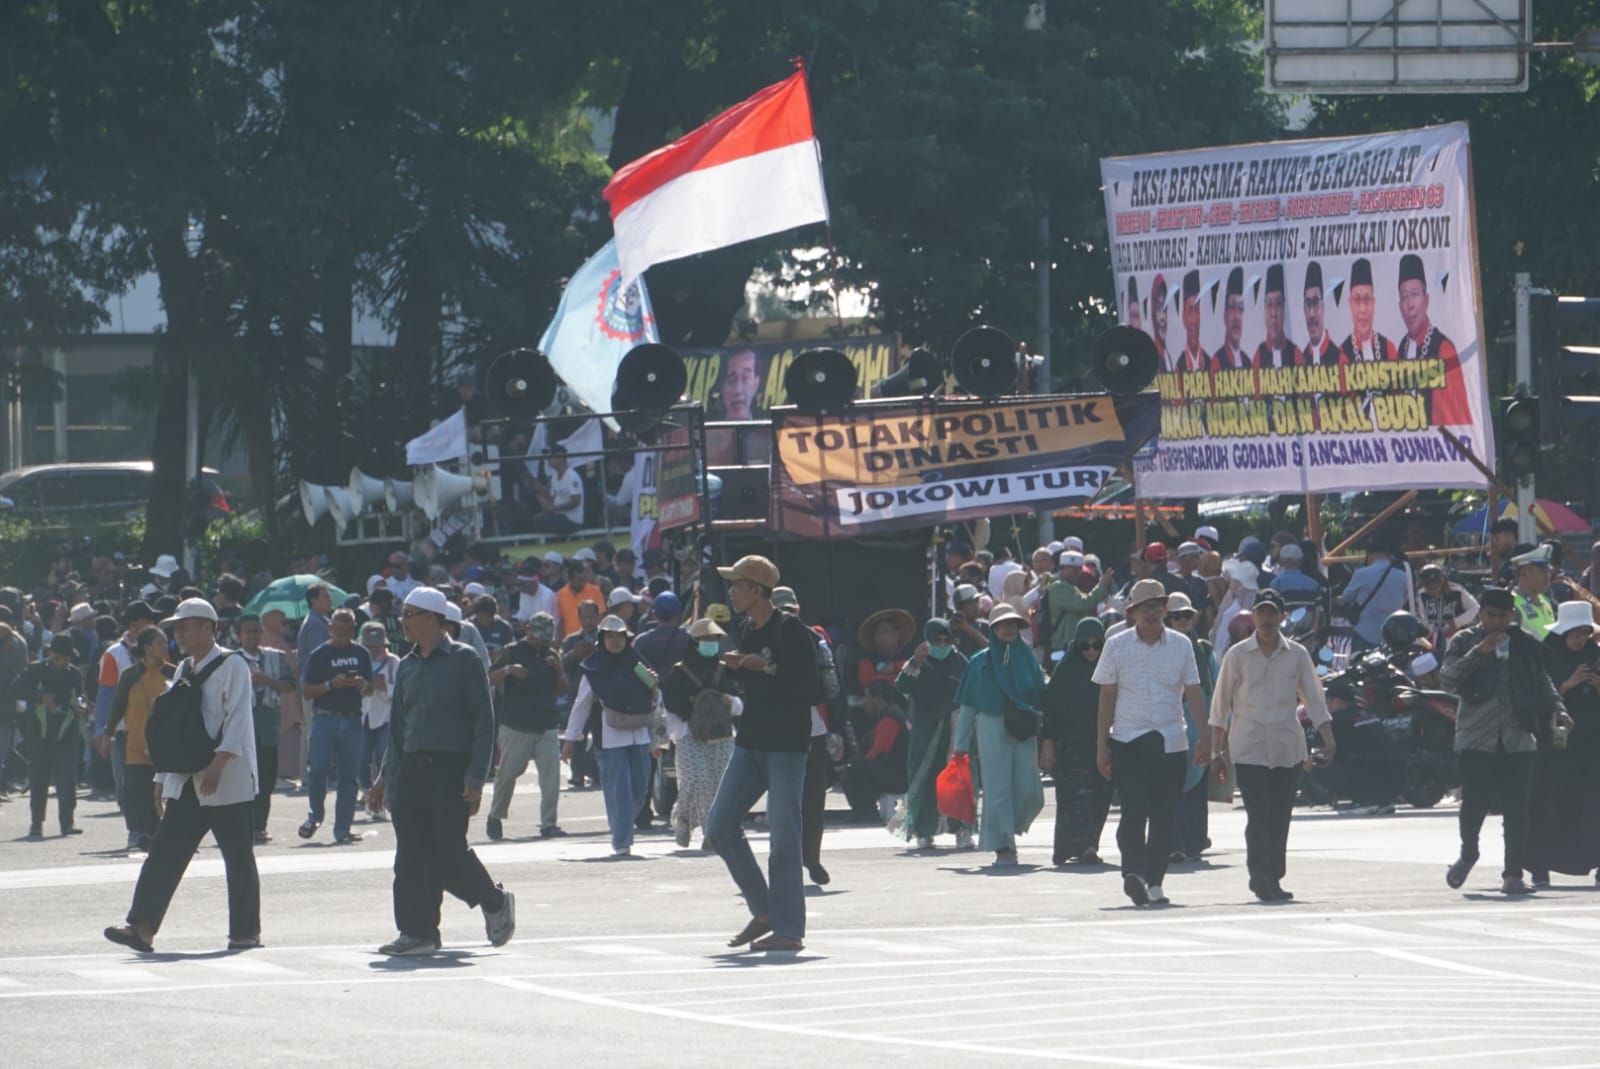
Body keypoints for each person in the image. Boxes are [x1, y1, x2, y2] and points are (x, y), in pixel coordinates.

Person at [103, 599, 260, 954]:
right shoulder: (184, 669)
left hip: (226, 779)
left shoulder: (233, 664)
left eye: (185, 626)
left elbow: (237, 720)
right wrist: (162, 775)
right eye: (176, 627)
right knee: (164, 852)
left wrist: (219, 764)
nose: (179, 634)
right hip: (188, 779)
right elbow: (174, 728)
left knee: (238, 857)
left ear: (207, 627)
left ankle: (246, 931)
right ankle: (141, 927)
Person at [367, 587, 514, 956]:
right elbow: (399, 730)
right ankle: (418, 933)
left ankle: (493, 902)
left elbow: (484, 720)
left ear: (431, 618)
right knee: (411, 856)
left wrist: (476, 777)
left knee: (448, 851)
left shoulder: (464, 660)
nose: (403, 622)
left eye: (409, 614)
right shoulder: (409, 665)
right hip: (411, 771)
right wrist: (384, 778)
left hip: (452, 770)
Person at [706, 555, 817, 953]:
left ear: (756, 590)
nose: (731, 592)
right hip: (751, 740)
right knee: (718, 826)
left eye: (737, 585)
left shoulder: (792, 632)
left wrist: (763, 667)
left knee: (784, 838)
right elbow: (754, 685)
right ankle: (764, 910)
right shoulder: (746, 628)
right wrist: (740, 668)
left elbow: (811, 689)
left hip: (786, 744)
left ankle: (789, 930)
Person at [1439, 587, 1570, 895]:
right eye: (1490, 616)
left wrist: (1558, 709)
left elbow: (1541, 679)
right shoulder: (1464, 641)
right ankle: (1469, 854)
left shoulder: (1523, 643)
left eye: (1502, 616)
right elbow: (1447, 678)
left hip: (1518, 736)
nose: (1497, 622)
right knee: (1473, 806)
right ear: (1481, 614)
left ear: (1512, 615)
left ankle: (1513, 874)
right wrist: (1480, 651)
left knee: (1517, 809)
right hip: (1475, 737)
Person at [1209, 590, 1334, 901]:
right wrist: (1216, 753)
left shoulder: (1297, 655)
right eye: (1261, 613)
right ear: (1253, 617)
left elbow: (1315, 701)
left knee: (1280, 815)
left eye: (1272, 613)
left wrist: (1329, 740)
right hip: (1249, 746)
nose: (1266, 619)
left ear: (1282, 617)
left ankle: (1274, 876)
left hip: (1286, 747)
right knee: (1258, 813)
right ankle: (1260, 875)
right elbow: (1220, 705)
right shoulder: (1237, 655)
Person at [1093, 579, 1210, 906]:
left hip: (1171, 739)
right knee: (1133, 812)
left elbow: (1193, 692)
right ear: (1131, 612)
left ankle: (1155, 882)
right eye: (1144, 606)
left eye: (1157, 605)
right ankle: (1134, 873)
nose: (1151, 611)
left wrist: (1205, 736)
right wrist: (1101, 745)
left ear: (1165, 608)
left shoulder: (1181, 645)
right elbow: (1106, 695)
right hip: (1128, 739)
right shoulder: (1116, 646)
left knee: (1164, 816)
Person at [953, 604, 1046, 867]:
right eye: (1003, 625)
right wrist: (960, 746)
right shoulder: (979, 662)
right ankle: (1003, 844)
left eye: (1013, 625)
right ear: (993, 629)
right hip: (991, 726)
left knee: (1030, 790)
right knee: (997, 788)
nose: (1008, 629)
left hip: (1024, 727)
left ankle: (1009, 828)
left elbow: (1041, 695)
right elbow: (968, 705)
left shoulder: (1027, 658)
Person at [562, 615, 657, 857]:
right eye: (609, 636)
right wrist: (571, 741)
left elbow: (656, 699)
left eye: (619, 636)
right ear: (601, 639)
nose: (615, 641)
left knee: (639, 788)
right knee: (620, 790)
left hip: (640, 736)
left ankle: (621, 824)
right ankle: (622, 840)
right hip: (610, 740)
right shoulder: (593, 669)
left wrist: (655, 686)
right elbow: (581, 706)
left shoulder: (638, 665)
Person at [772, 585, 843, 885]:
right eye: (782, 610)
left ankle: (811, 859)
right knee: (784, 803)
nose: (788, 616)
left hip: (813, 729)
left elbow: (834, 685)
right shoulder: (760, 639)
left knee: (814, 799)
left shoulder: (815, 638)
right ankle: (786, 862)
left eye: (792, 610)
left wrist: (837, 729)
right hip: (774, 733)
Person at [1527, 602, 1600, 886]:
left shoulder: (1595, 655)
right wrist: (1567, 685)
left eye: (1584, 632)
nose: (1579, 638)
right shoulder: (1546, 655)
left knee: (1592, 806)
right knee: (1548, 803)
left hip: (1591, 745)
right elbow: (1535, 697)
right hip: (1554, 748)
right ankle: (1539, 866)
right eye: (1573, 632)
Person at [661, 617, 743, 849]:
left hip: (722, 735)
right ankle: (702, 829)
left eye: (714, 639)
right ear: (694, 642)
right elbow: (670, 704)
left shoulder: (724, 669)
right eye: (706, 639)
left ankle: (694, 824)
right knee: (696, 780)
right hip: (689, 734)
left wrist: (732, 703)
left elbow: (741, 701)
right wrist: (677, 734)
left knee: (719, 783)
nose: (711, 643)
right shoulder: (679, 672)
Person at [486, 612, 568, 841]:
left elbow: (561, 690)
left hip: (546, 723)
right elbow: (489, 678)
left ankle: (549, 823)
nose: (543, 641)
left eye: (547, 637)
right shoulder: (511, 650)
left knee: (551, 778)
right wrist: (509, 670)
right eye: (539, 635)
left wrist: (559, 670)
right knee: (508, 774)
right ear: (528, 630)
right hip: (516, 724)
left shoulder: (552, 654)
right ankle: (495, 815)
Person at [299, 608, 374, 844]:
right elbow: (307, 691)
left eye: (347, 634)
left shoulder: (361, 653)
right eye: (338, 633)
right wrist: (331, 685)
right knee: (319, 769)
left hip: (352, 719)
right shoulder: (320, 654)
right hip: (325, 717)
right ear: (330, 629)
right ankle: (315, 815)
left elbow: (370, 688)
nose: (342, 639)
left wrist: (361, 683)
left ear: (353, 631)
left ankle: (343, 828)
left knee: (349, 776)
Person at [895, 618, 971, 850]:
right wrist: (916, 663)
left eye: (946, 639)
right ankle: (922, 831)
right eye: (936, 640)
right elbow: (902, 687)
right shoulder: (919, 661)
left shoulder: (959, 661)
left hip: (955, 729)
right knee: (923, 781)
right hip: (925, 732)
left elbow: (970, 689)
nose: (941, 644)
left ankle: (962, 830)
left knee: (959, 781)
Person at [1040, 617, 1110, 865]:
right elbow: (1049, 707)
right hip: (1069, 745)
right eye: (1086, 646)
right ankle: (1075, 847)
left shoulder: (1110, 668)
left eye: (1096, 646)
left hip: (1102, 741)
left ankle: (1090, 844)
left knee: (1101, 794)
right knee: (1073, 797)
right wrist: (1047, 743)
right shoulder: (1066, 669)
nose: (1091, 651)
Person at [92, 600, 158, 850]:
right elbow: (106, 693)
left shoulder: (158, 647)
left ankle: (155, 829)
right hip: (124, 730)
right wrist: (102, 730)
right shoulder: (113, 654)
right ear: (134, 624)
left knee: (156, 779)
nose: (153, 625)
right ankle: (136, 830)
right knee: (129, 783)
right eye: (148, 620)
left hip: (155, 727)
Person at [102, 627, 175, 851]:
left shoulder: (174, 673)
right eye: (160, 643)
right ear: (146, 648)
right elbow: (117, 706)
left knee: (164, 791)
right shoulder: (131, 675)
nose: (165, 647)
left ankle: (159, 834)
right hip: (136, 745)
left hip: (165, 747)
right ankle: (138, 833)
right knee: (136, 791)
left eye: (165, 642)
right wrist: (107, 734)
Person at [18, 634, 86, 839]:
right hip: (39, 734)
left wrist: (81, 705)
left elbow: (79, 695)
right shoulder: (35, 670)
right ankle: (36, 823)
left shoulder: (74, 674)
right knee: (39, 779)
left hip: (66, 732)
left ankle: (67, 822)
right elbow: (15, 691)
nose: (61, 662)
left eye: (65, 659)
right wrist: (40, 697)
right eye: (57, 658)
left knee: (67, 780)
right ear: (49, 654)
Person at [1165, 592, 1217, 862]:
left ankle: (1194, 839)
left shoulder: (1205, 650)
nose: (1183, 620)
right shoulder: (1162, 647)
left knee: (1196, 786)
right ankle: (1174, 841)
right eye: (1177, 616)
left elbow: (1217, 689)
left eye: (1187, 615)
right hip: (1171, 723)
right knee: (1172, 785)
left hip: (1200, 725)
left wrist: (1220, 726)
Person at [238, 614, 294, 844]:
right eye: (247, 632)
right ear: (239, 635)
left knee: (266, 779)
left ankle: (260, 826)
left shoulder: (274, 658)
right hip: (242, 728)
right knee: (243, 780)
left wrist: (266, 680)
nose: (252, 636)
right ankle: (243, 826)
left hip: (268, 727)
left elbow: (290, 685)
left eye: (255, 631)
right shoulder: (231, 660)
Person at [1395, 253, 1470, 425]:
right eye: (1404, 297)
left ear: (1426, 300)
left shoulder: (1443, 350)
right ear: (1400, 307)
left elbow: (1455, 418)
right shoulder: (1401, 350)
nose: (1410, 305)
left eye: (1415, 294)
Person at [845, 679, 911, 824]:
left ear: (878, 698)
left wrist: (856, 765)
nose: (865, 702)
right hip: (899, 771)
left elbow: (878, 751)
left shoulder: (890, 718)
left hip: (899, 777)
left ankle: (866, 813)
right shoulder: (891, 713)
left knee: (853, 768)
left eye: (867, 697)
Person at [1339, 538, 1412, 650]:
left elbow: (1346, 597)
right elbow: (1405, 599)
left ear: (1370, 556)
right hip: (1393, 635)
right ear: (1389, 556)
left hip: (1364, 633)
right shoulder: (1402, 576)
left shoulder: (1361, 574)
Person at [359, 621, 399, 822]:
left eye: (376, 646)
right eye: (368, 646)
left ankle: (383, 799)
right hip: (363, 716)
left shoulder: (393, 663)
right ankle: (368, 793)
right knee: (361, 759)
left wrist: (384, 686)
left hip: (385, 716)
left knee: (384, 759)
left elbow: (400, 690)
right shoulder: (358, 661)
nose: (372, 650)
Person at [1047, 550, 1115, 655]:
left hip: (1069, 646)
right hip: (1062, 646)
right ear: (1063, 568)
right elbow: (1084, 603)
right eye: (1073, 569)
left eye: (1079, 569)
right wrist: (1102, 586)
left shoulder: (1068, 586)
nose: (1078, 573)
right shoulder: (1059, 586)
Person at [1340, 257, 1397, 363]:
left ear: (1373, 303)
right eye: (1357, 300)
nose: (1362, 309)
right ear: (1350, 304)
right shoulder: (1341, 354)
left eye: (1366, 299)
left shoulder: (1389, 349)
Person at [1415, 564, 1479, 651]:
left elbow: (1475, 607)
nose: (1431, 591)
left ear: (1442, 582)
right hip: (1433, 638)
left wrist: (1457, 622)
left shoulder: (1457, 591)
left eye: (1434, 588)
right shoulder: (1421, 595)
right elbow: (1422, 616)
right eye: (1427, 587)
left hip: (1457, 637)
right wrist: (1428, 629)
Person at [529, 443, 584, 535]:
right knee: (536, 518)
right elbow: (553, 498)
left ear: (561, 458)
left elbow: (576, 501)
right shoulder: (554, 476)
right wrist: (539, 490)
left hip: (571, 519)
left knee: (539, 521)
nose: (549, 460)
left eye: (551, 457)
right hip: (559, 515)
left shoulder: (571, 476)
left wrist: (555, 508)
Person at [855, 608, 914, 694]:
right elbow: (869, 684)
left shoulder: (913, 655)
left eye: (885, 632)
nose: (881, 637)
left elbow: (917, 680)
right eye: (876, 634)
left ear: (897, 633)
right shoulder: (866, 661)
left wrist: (895, 667)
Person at [1253, 264, 1300, 369]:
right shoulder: (1259, 356)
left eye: (1278, 304)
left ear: (1284, 309)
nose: (1274, 313)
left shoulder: (1296, 355)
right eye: (1269, 305)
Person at [1509, 544, 1559, 640]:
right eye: (1542, 571)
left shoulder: (1545, 601)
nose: (1547, 576)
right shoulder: (1512, 604)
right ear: (1524, 573)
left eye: (1548, 571)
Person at [1210, 267, 1247, 370]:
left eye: (1240, 309)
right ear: (1225, 316)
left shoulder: (1248, 362)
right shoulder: (1217, 362)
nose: (1237, 316)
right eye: (1232, 307)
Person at [1301, 261, 1337, 365]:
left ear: (1323, 306)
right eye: (1308, 304)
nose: (1311, 313)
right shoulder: (1300, 363)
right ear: (1304, 311)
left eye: (1315, 302)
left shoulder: (1340, 360)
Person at [556, 561, 600, 641]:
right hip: (570, 640)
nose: (585, 575)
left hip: (593, 638)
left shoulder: (595, 591)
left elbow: (601, 616)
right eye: (581, 572)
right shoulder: (560, 594)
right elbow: (561, 621)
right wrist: (560, 640)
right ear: (573, 575)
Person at [296, 583, 333, 680]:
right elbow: (320, 655)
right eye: (326, 597)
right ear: (314, 600)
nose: (330, 600)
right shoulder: (315, 624)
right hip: (315, 680)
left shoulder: (323, 621)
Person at [1174, 270, 1206, 372]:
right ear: (1184, 317)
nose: (1194, 320)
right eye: (1190, 311)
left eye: (1197, 310)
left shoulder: (1209, 362)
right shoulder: (1179, 367)